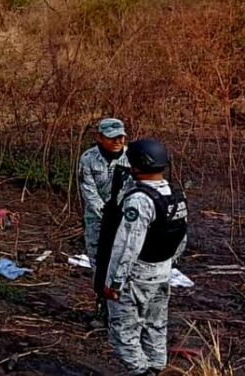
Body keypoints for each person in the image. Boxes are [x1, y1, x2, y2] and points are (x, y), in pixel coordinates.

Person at [101, 139, 187, 376]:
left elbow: (127, 245)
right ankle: (157, 367)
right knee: (156, 326)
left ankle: (142, 372)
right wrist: (167, 263)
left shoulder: (139, 199)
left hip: (136, 276)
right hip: (162, 272)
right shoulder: (175, 195)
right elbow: (182, 238)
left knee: (123, 332)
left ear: (137, 165)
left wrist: (113, 283)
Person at [78, 118, 130, 262]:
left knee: (121, 259)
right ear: (100, 138)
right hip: (96, 218)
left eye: (121, 137)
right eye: (112, 138)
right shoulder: (88, 159)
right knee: (97, 259)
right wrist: (107, 216)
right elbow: (89, 192)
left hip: (125, 218)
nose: (117, 141)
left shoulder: (132, 156)